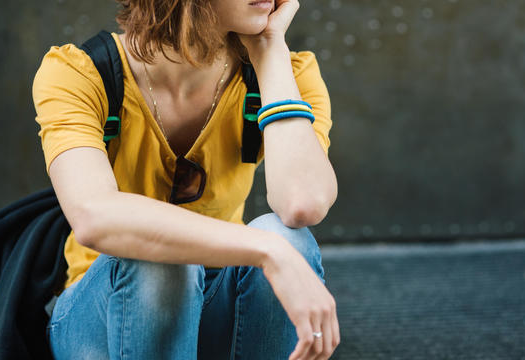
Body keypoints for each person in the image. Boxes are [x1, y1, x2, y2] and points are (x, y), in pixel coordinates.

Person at [32, 0, 339, 358]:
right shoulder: (79, 72)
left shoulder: (286, 73)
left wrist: (270, 52)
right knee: (160, 259)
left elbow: (303, 204)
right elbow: (93, 216)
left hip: (216, 301)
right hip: (106, 315)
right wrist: (268, 252)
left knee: (290, 239)